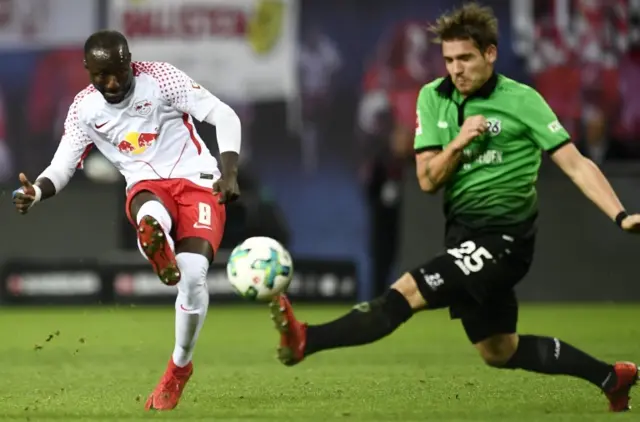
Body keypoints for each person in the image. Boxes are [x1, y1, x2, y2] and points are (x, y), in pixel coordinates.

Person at [269, 3, 640, 413]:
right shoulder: (432, 98)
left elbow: (576, 164)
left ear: (491, 54)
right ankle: (612, 376)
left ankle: (307, 339)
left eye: (465, 58)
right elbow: (428, 180)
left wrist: (621, 215)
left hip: (506, 240)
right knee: (499, 349)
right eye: (449, 60)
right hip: (463, 236)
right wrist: (459, 144)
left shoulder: (523, 101)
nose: (456, 69)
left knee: (406, 291)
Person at [11, 30, 242, 411]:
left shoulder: (163, 79)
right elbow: (63, 165)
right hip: (147, 186)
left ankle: (179, 367)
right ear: (87, 70)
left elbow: (224, 115)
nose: (113, 82)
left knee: (194, 275)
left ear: (130, 60)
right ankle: (154, 238)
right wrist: (37, 191)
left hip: (198, 181)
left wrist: (229, 172)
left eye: (119, 71)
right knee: (149, 212)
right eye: (101, 75)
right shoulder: (84, 109)